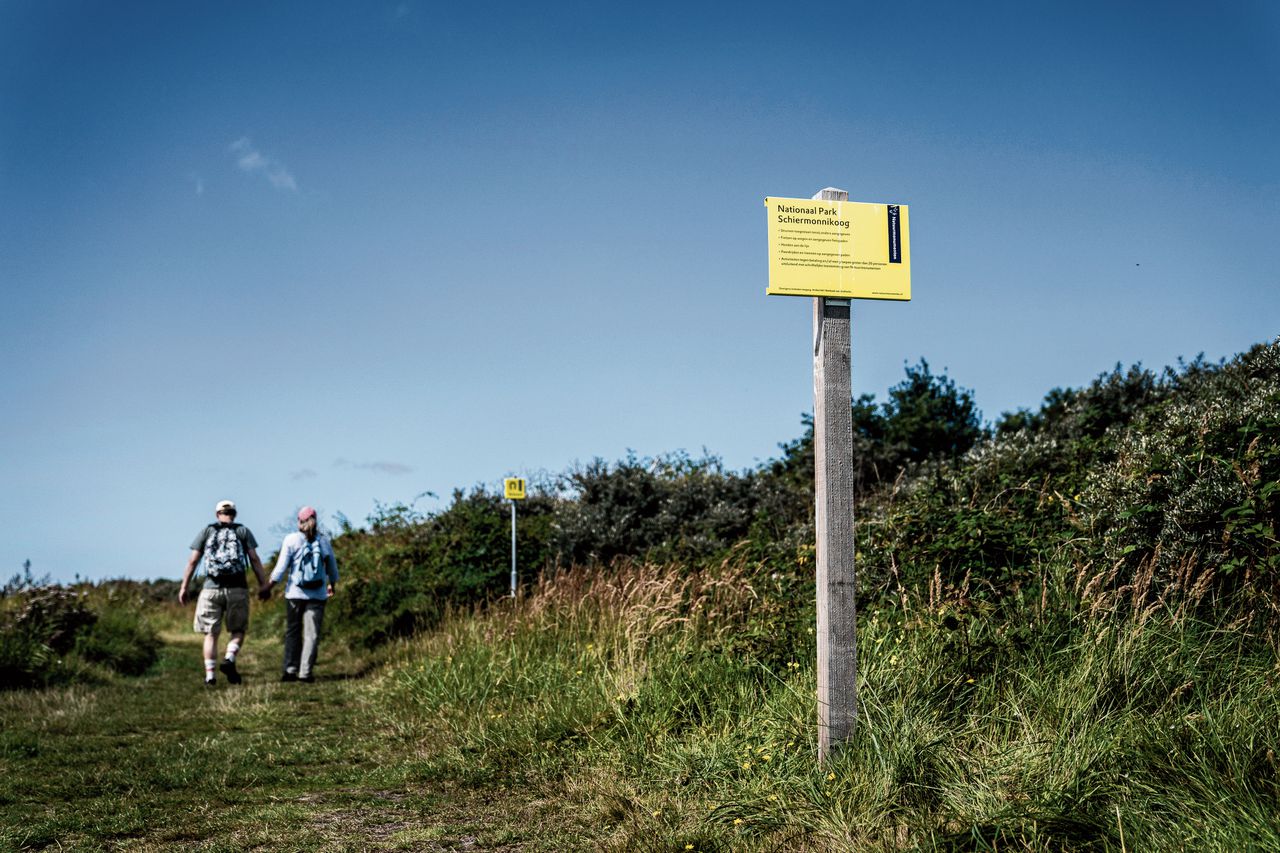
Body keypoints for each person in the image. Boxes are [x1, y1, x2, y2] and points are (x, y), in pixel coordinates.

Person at [179, 500, 269, 687]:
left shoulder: (207, 531)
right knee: (238, 630)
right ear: (234, 514)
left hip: (211, 589)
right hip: (237, 589)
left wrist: (184, 587)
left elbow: (192, 561)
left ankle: (210, 677)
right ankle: (229, 657)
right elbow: (254, 558)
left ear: (217, 514)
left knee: (211, 634)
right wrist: (264, 585)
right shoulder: (242, 531)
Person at [262, 506, 338, 683]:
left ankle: (290, 670)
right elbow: (332, 569)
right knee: (311, 634)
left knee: (293, 632)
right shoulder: (324, 541)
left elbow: (281, 569)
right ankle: (305, 673)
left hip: (295, 594)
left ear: (299, 521)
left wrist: (268, 587)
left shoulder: (291, 540)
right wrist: (332, 585)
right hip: (317, 595)